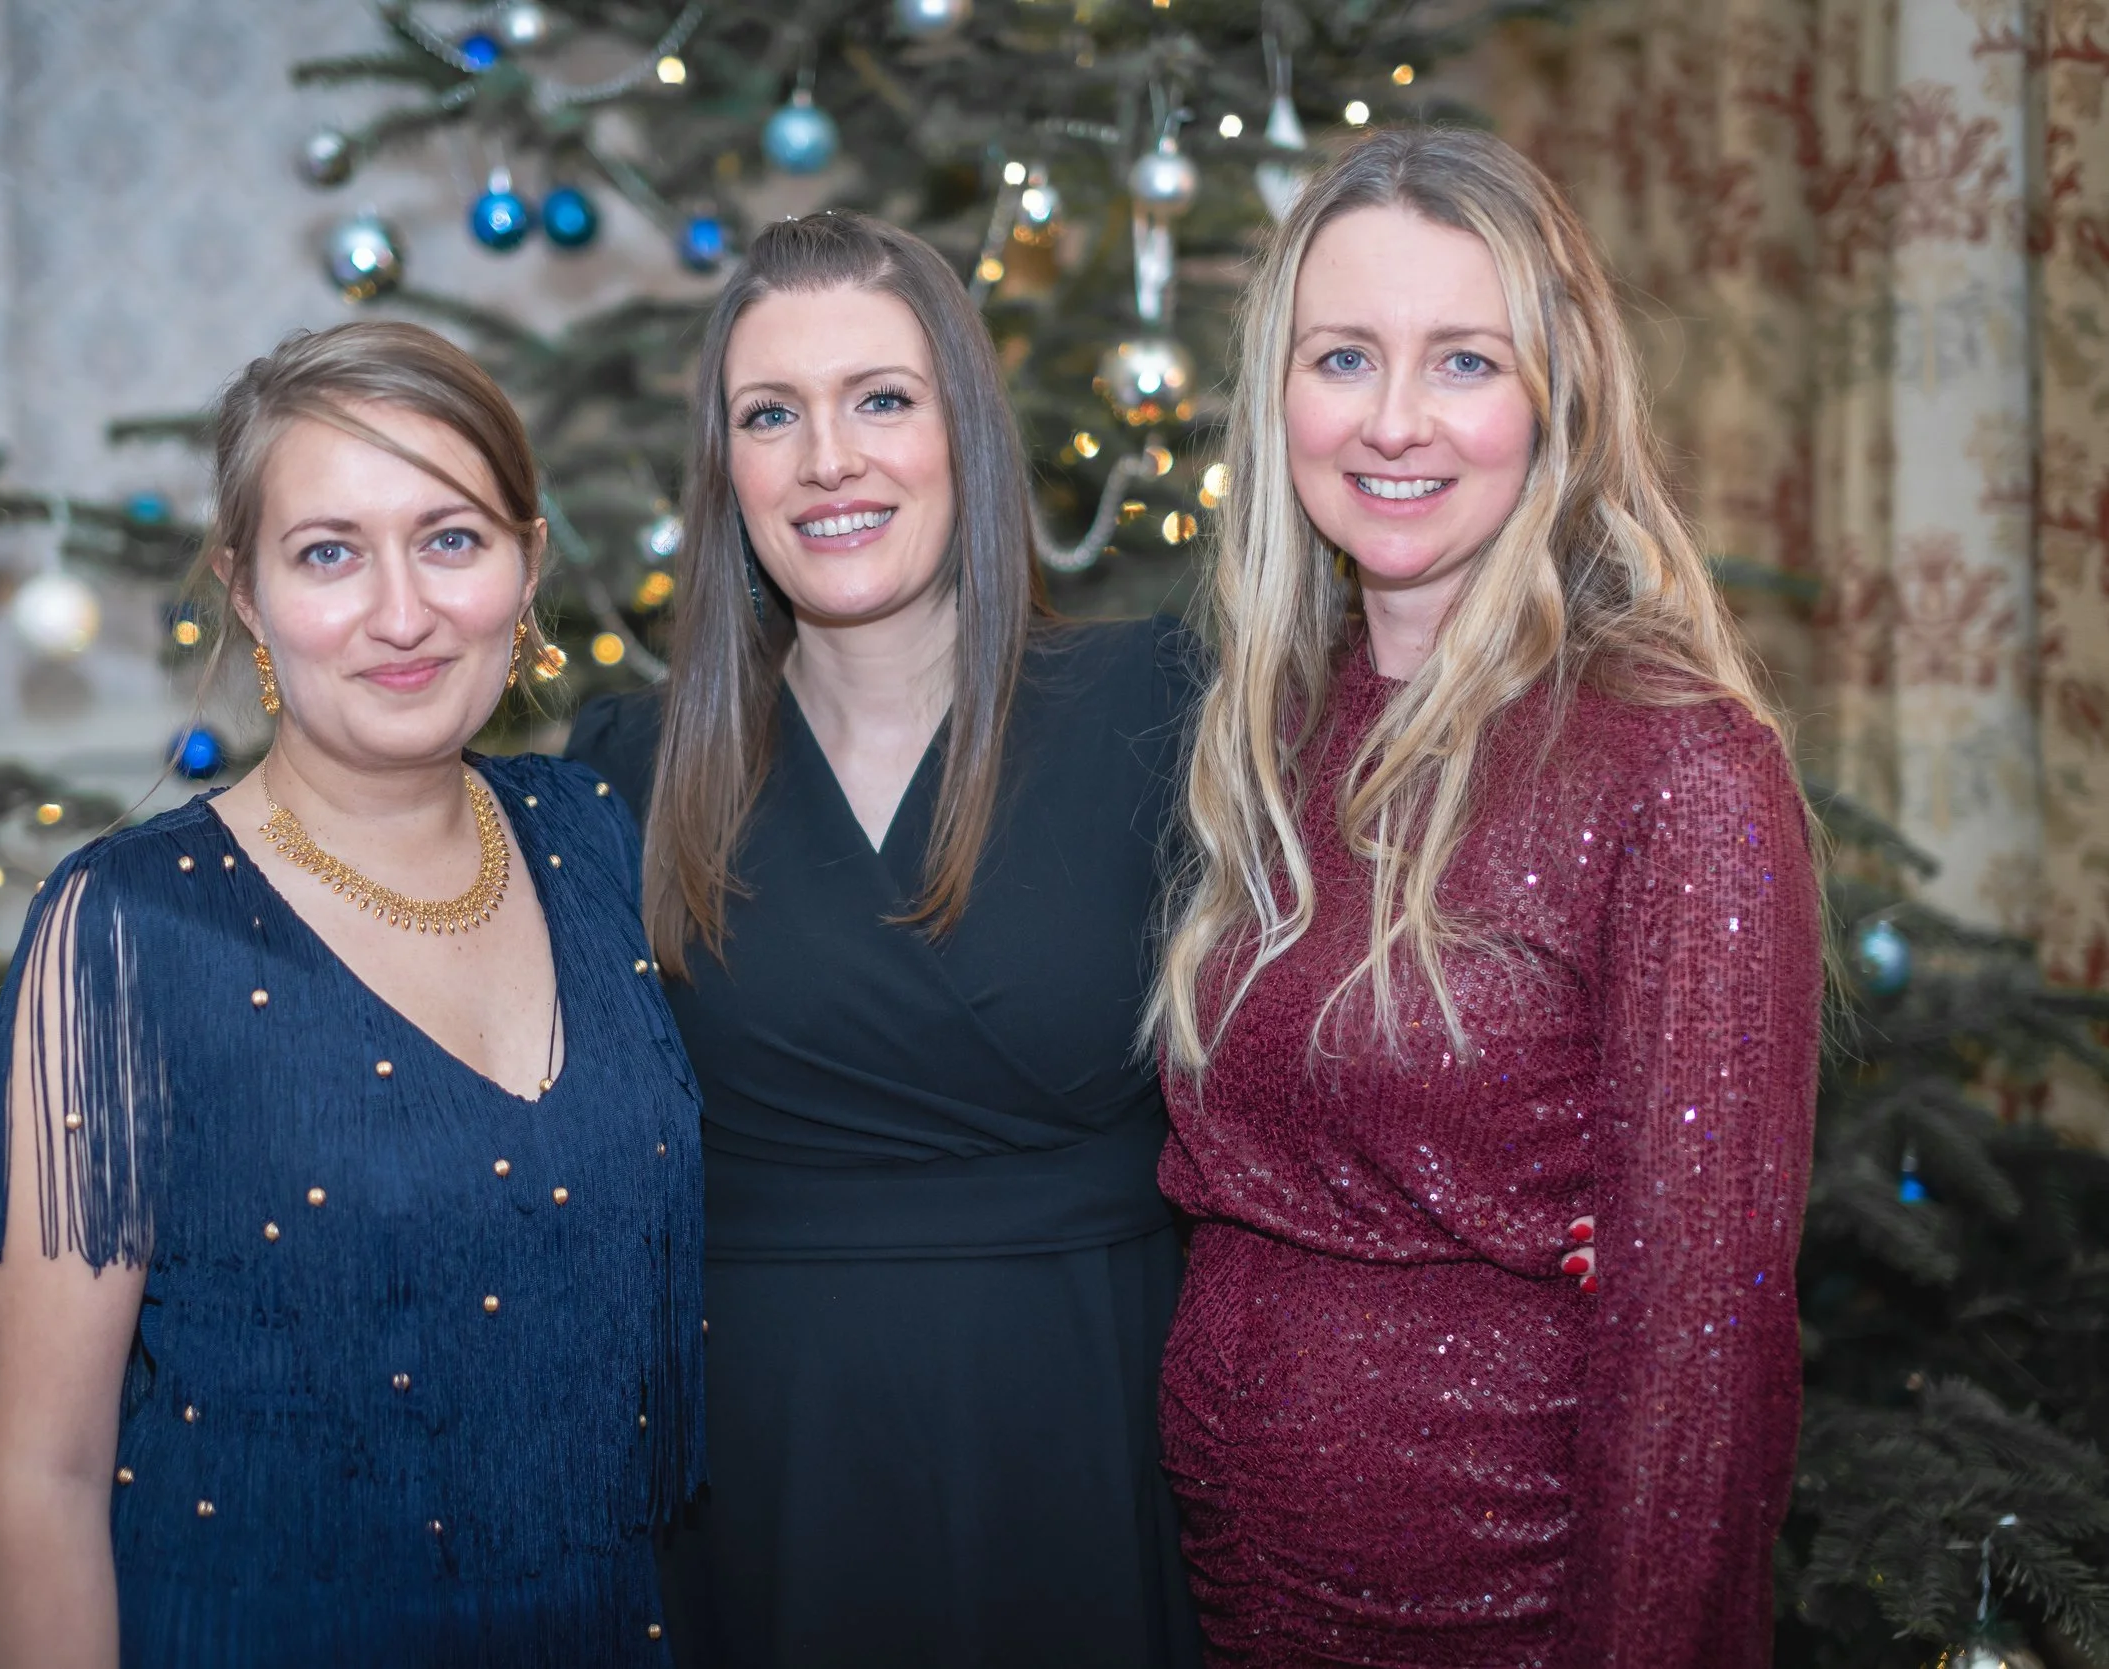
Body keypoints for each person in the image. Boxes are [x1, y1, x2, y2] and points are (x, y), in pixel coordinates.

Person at [1148, 126, 1821, 1668]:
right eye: (1342, 358)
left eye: (1463, 360)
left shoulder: (1674, 767)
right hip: (1237, 1596)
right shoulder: (1281, 722)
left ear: (1556, 396)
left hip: (1511, 1611)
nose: (1393, 421)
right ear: (1278, 395)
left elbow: (1700, 1356)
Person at [0, 321, 703, 1668]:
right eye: (328, 554)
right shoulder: (125, 930)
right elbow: (40, 1484)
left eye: (452, 539)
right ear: (243, 591)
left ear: (528, 563)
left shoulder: (602, 839)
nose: (403, 613)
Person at [566, 211, 1200, 1669]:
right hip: (764, 1469)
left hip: (1091, 1435)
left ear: (964, 433)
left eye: (882, 400)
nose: (828, 459)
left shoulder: (1164, 708)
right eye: (770, 415)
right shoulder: (626, 771)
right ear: (726, 472)